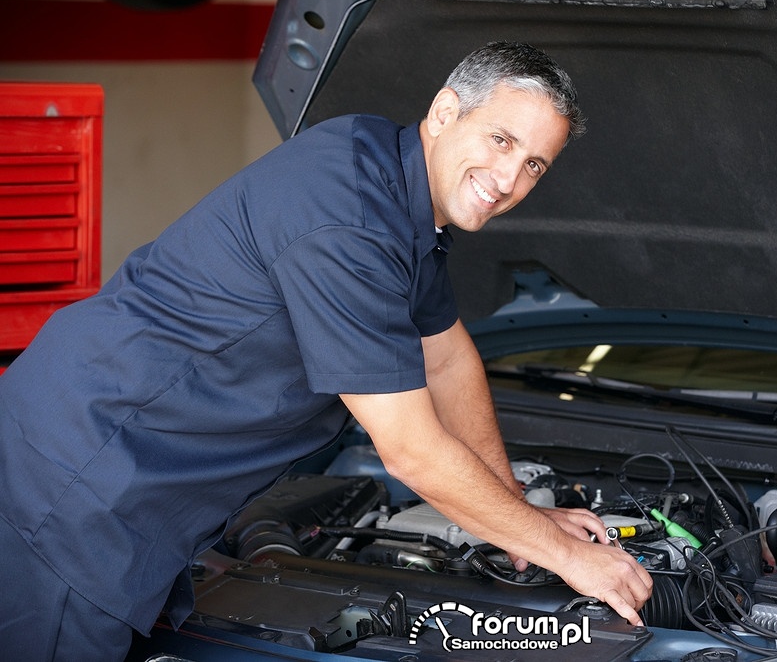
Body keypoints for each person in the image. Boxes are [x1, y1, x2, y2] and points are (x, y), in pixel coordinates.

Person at [0, 41, 652, 661]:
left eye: (535, 163)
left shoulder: (392, 184)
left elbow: (447, 360)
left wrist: (515, 511)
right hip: (79, 486)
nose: (510, 177)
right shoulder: (350, 219)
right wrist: (563, 555)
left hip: (133, 477)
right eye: (502, 139)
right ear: (446, 112)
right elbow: (410, 448)